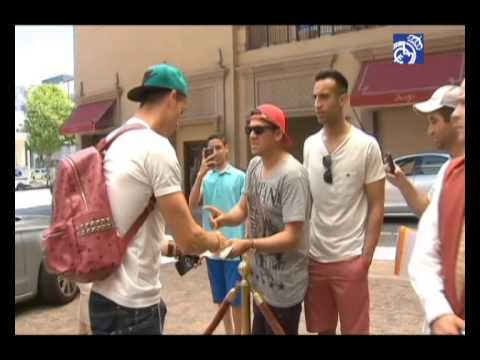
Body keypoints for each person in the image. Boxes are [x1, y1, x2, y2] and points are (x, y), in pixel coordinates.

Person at [88, 64, 231, 335]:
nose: (180, 119)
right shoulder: (155, 146)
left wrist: (170, 248)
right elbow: (190, 238)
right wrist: (218, 241)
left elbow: (126, 222)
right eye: (182, 110)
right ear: (172, 97)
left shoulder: (112, 141)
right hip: (133, 307)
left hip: (103, 298)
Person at [206, 104, 311, 335]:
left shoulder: (293, 175)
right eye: (249, 130)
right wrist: (224, 219)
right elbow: (243, 208)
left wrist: (250, 244)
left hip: (284, 285)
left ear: (278, 133)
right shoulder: (254, 166)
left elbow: (293, 236)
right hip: (259, 280)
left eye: (259, 130)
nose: (252, 135)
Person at [303, 69, 385, 335]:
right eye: (315, 97)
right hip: (316, 259)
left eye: (325, 96)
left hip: (351, 259)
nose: (317, 103)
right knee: (322, 330)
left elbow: (377, 204)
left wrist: (365, 258)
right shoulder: (309, 145)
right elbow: (308, 202)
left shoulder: (366, 145)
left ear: (343, 100)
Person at [408, 79, 465, 335]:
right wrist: (439, 312)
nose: (457, 114)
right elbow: (429, 239)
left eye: (433, 121)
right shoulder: (449, 173)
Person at [188, 134, 246, 335]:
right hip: (212, 248)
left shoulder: (239, 176)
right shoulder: (206, 178)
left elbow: (245, 210)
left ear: (227, 148)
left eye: (218, 147)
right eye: (210, 149)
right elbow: (191, 205)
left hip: (233, 246)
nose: (215, 152)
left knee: (237, 298)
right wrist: (199, 175)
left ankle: (239, 332)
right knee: (221, 299)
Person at [384, 85, 463, 217]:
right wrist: (402, 182)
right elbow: (428, 211)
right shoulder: (447, 168)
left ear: (456, 119)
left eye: (434, 121)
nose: (429, 131)